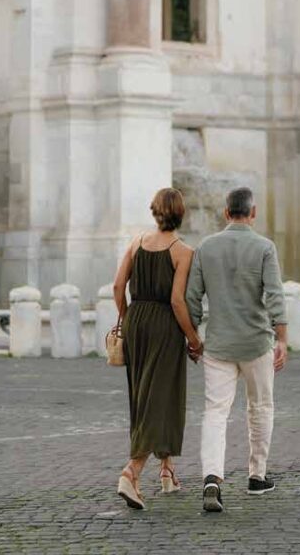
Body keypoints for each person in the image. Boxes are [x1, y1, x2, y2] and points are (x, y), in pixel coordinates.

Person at [186, 186, 288, 514]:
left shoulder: (206, 247)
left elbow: (192, 297)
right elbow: (275, 295)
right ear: (253, 213)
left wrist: (193, 337)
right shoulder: (264, 247)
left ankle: (212, 477)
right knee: (260, 408)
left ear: (226, 212)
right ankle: (257, 476)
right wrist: (282, 338)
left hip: (218, 344)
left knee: (216, 411)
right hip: (257, 343)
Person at [112, 187, 203, 510]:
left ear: (155, 212)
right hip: (165, 325)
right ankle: (131, 472)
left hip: (137, 320)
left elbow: (118, 286)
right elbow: (178, 301)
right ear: (180, 214)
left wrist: (128, 316)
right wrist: (193, 337)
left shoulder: (137, 242)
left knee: (146, 395)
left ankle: (167, 471)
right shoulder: (183, 251)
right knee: (159, 397)